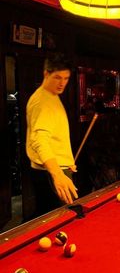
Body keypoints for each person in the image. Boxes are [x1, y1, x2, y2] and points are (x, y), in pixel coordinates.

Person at [26, 53, 78, 217]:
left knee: (53, 218)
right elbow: (40, 141)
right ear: (46, 74)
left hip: (55, 169)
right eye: (57, 77)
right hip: (50, 173)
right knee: (57, 219)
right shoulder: (43, 102)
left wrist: (65, 161)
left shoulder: (51, 96)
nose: (62, 83)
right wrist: (58, 174)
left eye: (66, 78)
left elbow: (53, 138)